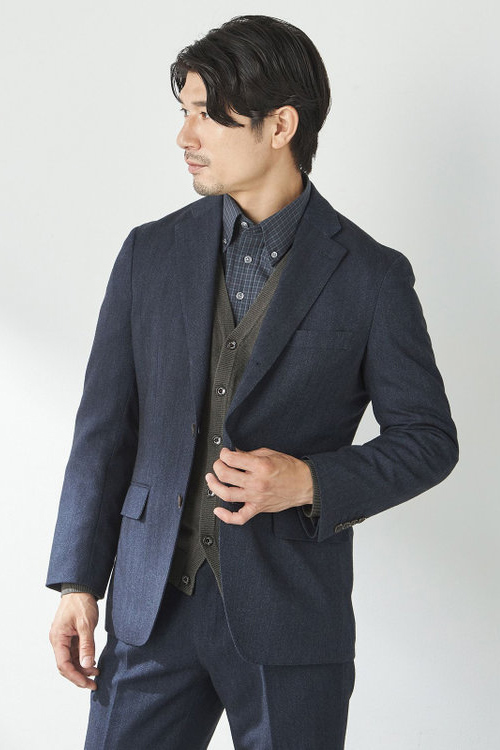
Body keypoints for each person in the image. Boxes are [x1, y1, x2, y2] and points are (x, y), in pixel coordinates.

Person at [47, 14, 458, 749]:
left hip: (291, 620)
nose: (185, 135)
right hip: (151, 610)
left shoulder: (371, 276)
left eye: (208, 114)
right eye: (185, 111)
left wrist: (309, 481)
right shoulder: (149, 254)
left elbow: (428, 439)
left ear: (280, 126)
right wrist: (77, 582)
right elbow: (104, 431)